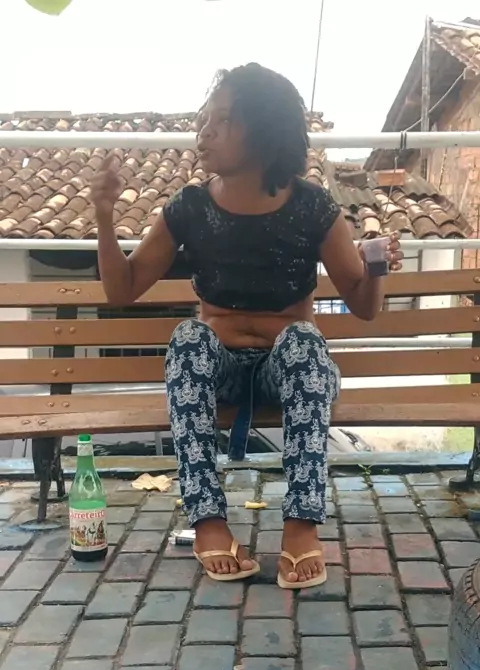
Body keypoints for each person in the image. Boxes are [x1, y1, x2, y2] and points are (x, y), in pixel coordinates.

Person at [92, 63, 402, 589]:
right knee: (188, 339)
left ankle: (301, 526)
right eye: (205, 119)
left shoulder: (312, 207)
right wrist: (103, 215)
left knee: (304, 341)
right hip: (221, 371)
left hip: (289, 370)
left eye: (223, 120)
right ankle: (209, 523)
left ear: (263, 131)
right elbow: (121, 291)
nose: (205, 132)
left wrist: (375, 270)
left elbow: (363, 304)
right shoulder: (189, 208)